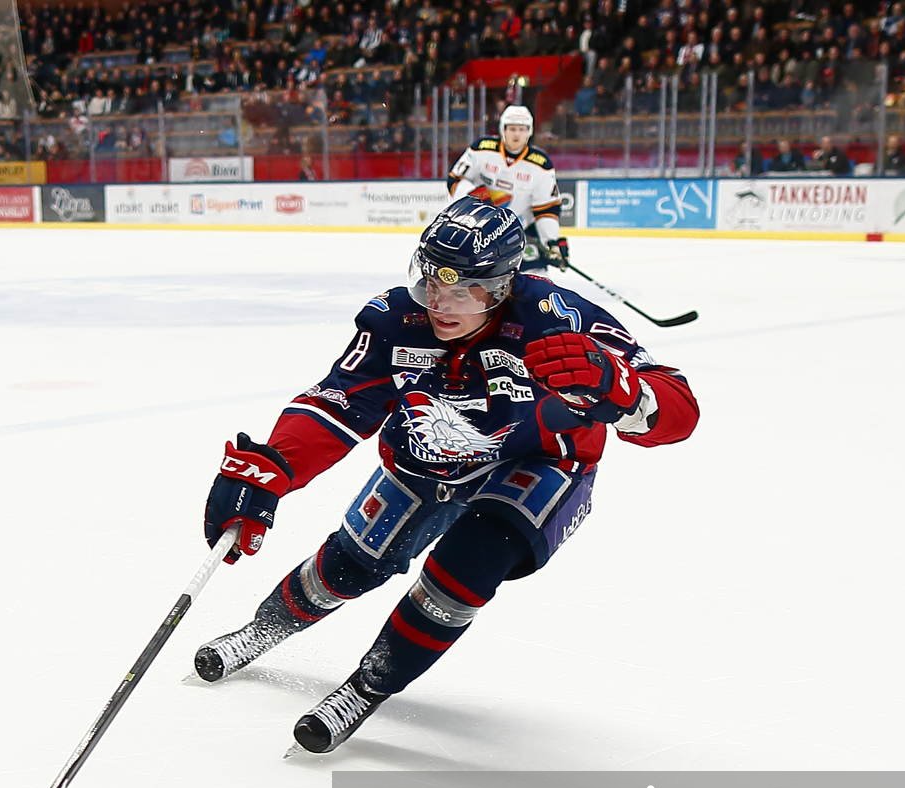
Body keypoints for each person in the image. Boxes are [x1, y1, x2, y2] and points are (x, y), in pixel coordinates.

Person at [192, 199, 699, 753]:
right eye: (432, 282)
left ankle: (367, 687)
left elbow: (677, 409)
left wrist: (626, 390)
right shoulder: (392, 320)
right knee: (351, 564)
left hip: (537, 461)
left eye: (464, 290)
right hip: (427, 455)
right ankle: (263, 631)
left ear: (504, 284)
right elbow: (337, 405)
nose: (440, 302)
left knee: (467, 566)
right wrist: (272, 466)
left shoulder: (557, 315)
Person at [444, 104, 568, 272]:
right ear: (503, 129)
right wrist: (473, 197)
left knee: (532, 281)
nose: (517, 134)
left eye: (522, 129)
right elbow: (455, 179)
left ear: (529, 132)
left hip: (520, 233)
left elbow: (546, 209)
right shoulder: (481, 149)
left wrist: (551, 242)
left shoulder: (541, 165)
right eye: (512, 128)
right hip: (480, 230)